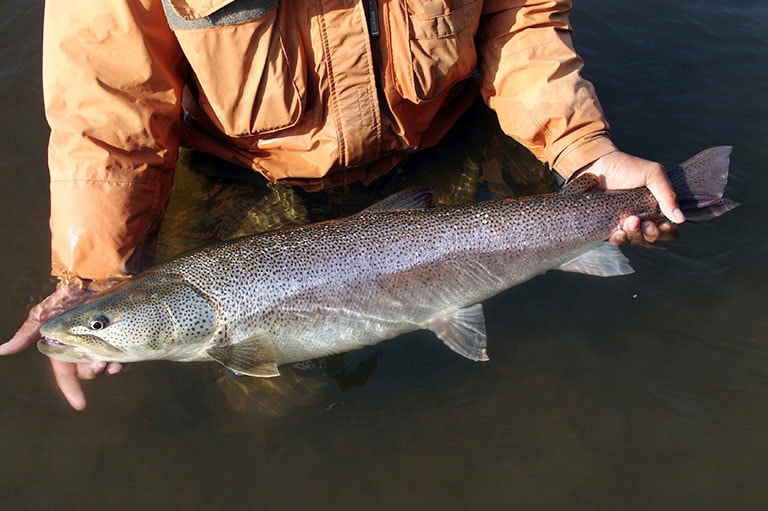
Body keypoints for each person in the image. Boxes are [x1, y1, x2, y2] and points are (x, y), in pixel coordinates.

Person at [0, 0, 683, 410]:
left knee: (541, 349)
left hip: (445, 133)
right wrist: (92, 276)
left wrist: (584, 150)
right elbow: (106, 107)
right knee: (264, 406)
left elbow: (519, 13)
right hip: (255, 173)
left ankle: (623, 211)